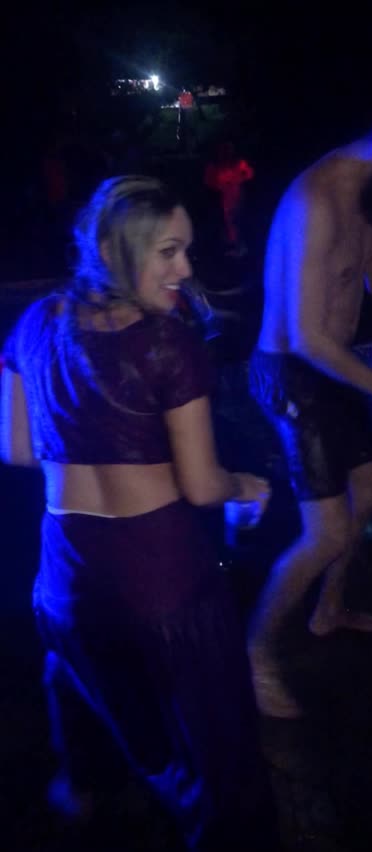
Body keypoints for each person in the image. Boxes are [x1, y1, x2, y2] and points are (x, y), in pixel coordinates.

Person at [0, 176, 278, 850]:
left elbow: (15, 449)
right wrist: (246, 484)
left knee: (83, 682)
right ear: (112, 250)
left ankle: (83, 792)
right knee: (217, 741)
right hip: (161, 579)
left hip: (66, 573)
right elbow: (202, 486)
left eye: (186, 250)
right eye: (167, 252)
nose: (184, 269)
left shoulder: (33, 322)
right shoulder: (166, 342)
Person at [248, 100, 372, 718]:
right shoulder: (316, 201)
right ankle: (255, 653)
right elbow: (307, 337)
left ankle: (328, 609)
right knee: (327, 531)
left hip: (332, 367)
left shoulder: (371, 196)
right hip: (292, 372)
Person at [204, 142, 254, 256]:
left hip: (237, 196)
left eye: (228, 149)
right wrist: (219, 186)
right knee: (226, 222)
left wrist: (240, 179)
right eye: (223, 149)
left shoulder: (239, 163)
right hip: (220, 198)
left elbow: (249, 174)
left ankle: (240, 247)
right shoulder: (215, 166)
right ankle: (232, 246)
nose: (226, 152)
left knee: (236, 220)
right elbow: (209, 181)